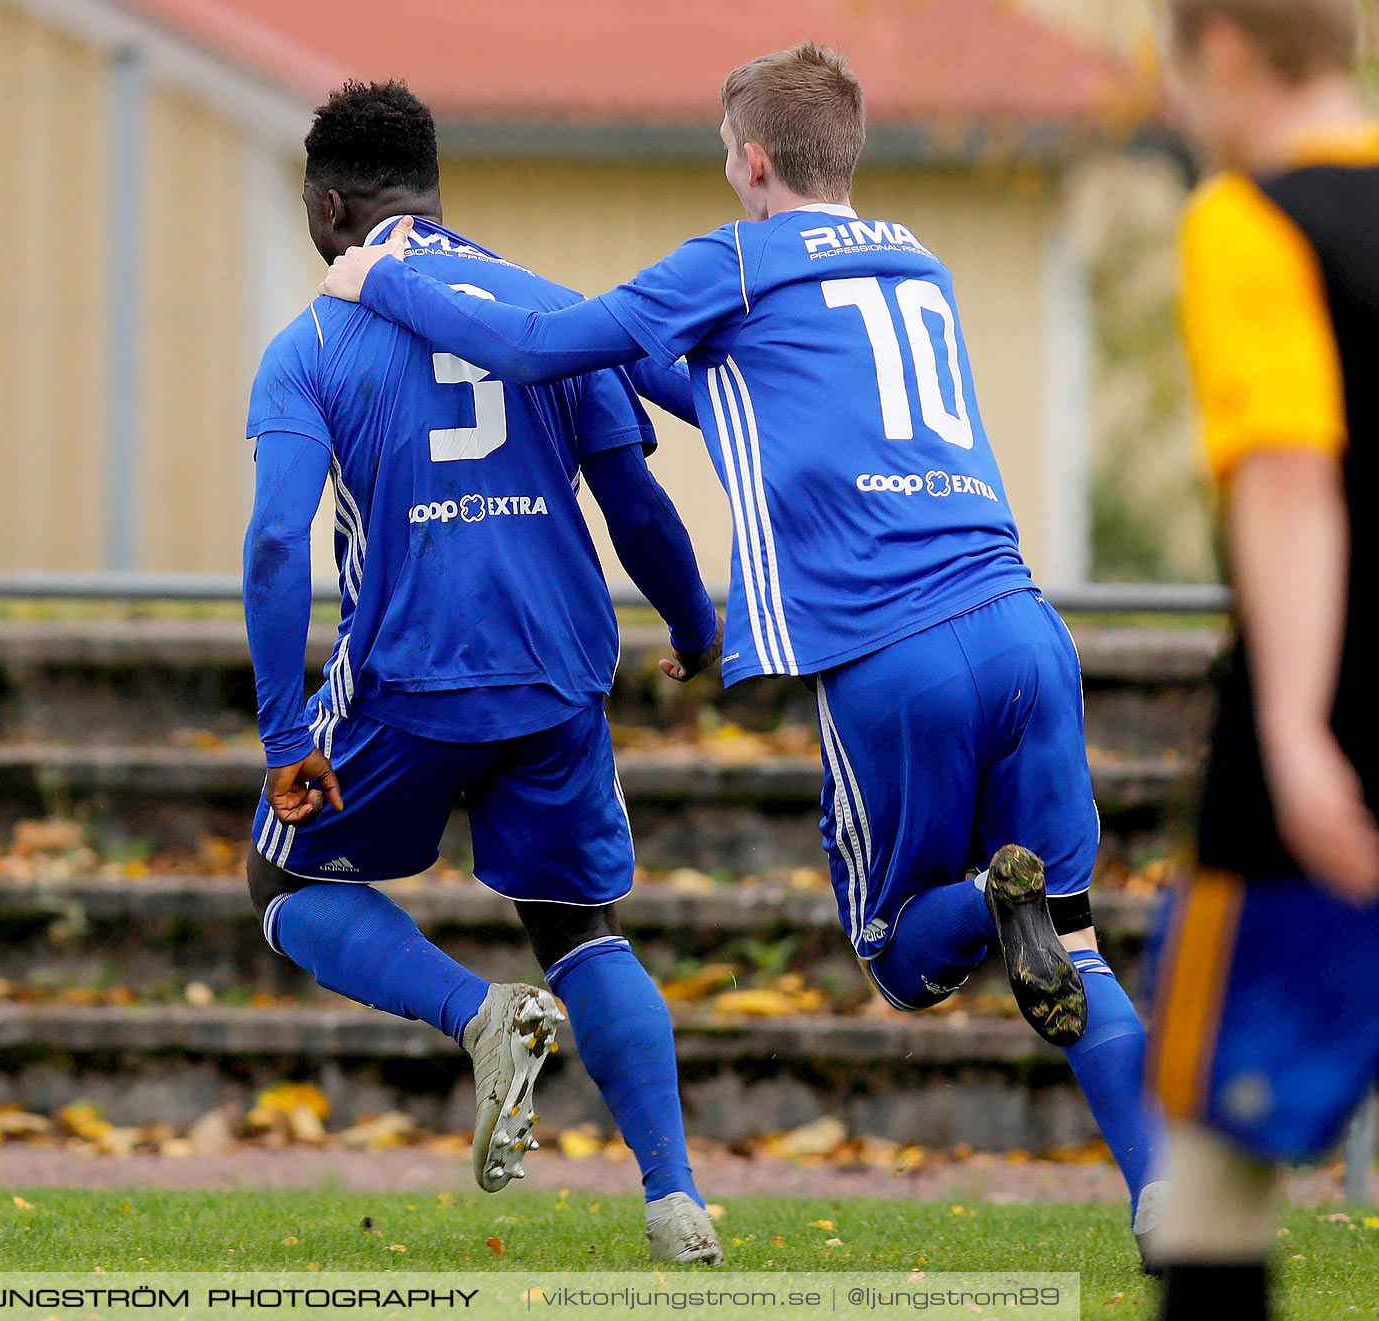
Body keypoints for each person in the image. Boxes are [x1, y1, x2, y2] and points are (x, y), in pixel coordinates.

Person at [320, 44, 1164, 1254]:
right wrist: (620, 342)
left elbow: (537, 348)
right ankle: (1163, 1195)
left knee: (900, 956)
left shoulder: (735, 259)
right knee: (1079, 945)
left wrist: (381, 279)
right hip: (1027, 629)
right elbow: (736, 392)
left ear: (752, 157)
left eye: (726, 149)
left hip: (892, 650)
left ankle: (986, 897)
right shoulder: (917, 260)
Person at [242, 80, 726, 1264]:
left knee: (281, 887)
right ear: (436, 191)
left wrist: (281, 732)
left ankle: (477, 1014)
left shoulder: (311, 341)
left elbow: (272, 544)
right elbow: (638, 505)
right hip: (558, 673)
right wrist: (695, 624)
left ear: (329, 206)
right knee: (581, 926)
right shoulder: (552, 313)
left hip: (409, 675)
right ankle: (676, 1202)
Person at [1149, 1, 1379, 1314]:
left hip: (1325, 752)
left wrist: (1296, 728)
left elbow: (1293, 479)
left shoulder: (1247, 219)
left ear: (1225, 46)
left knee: (1214, 1161)